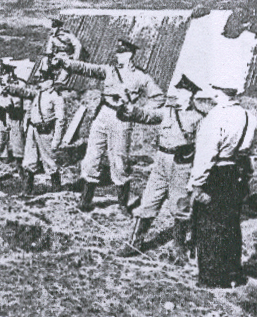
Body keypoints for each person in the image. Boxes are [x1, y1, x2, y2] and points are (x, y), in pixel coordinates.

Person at [58, 39, 164, 213]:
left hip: (122, 119)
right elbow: (87, 68)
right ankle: (85, 201)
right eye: (117, 52)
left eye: (121, 53)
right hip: (103, 113)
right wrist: (68, 63)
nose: (117, 56)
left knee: (119, 161)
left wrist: (138, 111)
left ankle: (123, 205)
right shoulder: (109, 70)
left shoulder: (141, 77)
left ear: (129, 55)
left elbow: (158, 98)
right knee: (91, 157)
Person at [115, 75, 210, 262]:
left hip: (182, 166)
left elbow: (204, 147)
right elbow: (146, 115)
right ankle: (134, 243)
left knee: (180, 206)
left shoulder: (199, 118)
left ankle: (179, 249)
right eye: (178, 91)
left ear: (191, 95)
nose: (179, 95)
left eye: (184, 92)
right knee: (148, 201)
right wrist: (128, 108)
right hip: (160, 162)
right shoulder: (168, 112)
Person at [187, 84, 256, 288]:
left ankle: (211, 278)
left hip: (216, 172)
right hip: (236, 172)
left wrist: (197, 184)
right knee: (230, 223)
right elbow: (249, 147)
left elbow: (206, 155)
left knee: (209, 225)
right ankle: (233, 272)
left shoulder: (216, 117)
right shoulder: (248, 116)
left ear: (217, 92)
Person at [4, 66, 66, 194]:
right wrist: (9, 88)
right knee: (29, 160)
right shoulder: (39, 93)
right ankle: (27, 190)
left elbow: (61, 120)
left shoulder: (56, 97)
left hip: (45, 131)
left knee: (50, 161)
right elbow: (25, 92)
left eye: (43, 79)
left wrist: (56, 140)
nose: (40, 82)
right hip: (33, 130)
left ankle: (57, 190)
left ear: (51, 81)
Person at [0, 63, 27, 185]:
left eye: (9, 72)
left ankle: (23, 177)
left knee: (18, 150)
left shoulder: (21, 85)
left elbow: (25, 104)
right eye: (4, 72)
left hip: (16, 119)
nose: (7, 75)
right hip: (2, 119)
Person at [41, 18, 82, 86]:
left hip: (67, 55)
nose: (53, 29)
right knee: (45, 60)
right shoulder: (52, 37)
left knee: (66, 67)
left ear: (59, 27)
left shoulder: (67, 35)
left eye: (54, 27)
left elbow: (77, 45)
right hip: (58, 55)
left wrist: (75, 57)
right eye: (52, 27)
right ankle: (44, 77)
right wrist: (50, 55)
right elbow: (49, 48)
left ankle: (60, 82)